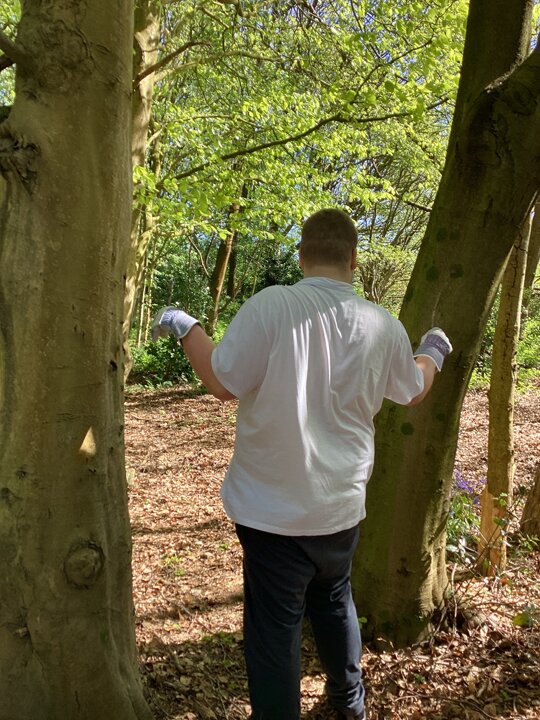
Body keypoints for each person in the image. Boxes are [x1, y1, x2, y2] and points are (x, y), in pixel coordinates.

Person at [151, 208, 452, 720]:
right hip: (340, 510)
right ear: (353, 260)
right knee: (334, 600)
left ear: (301, 256)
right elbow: (414, 389)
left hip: (272, 515)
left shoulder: (272, 306)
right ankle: (349, 703)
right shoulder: (381, 324)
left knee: (275, 629)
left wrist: (186, 325)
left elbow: (222, 381)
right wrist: (434, 350)